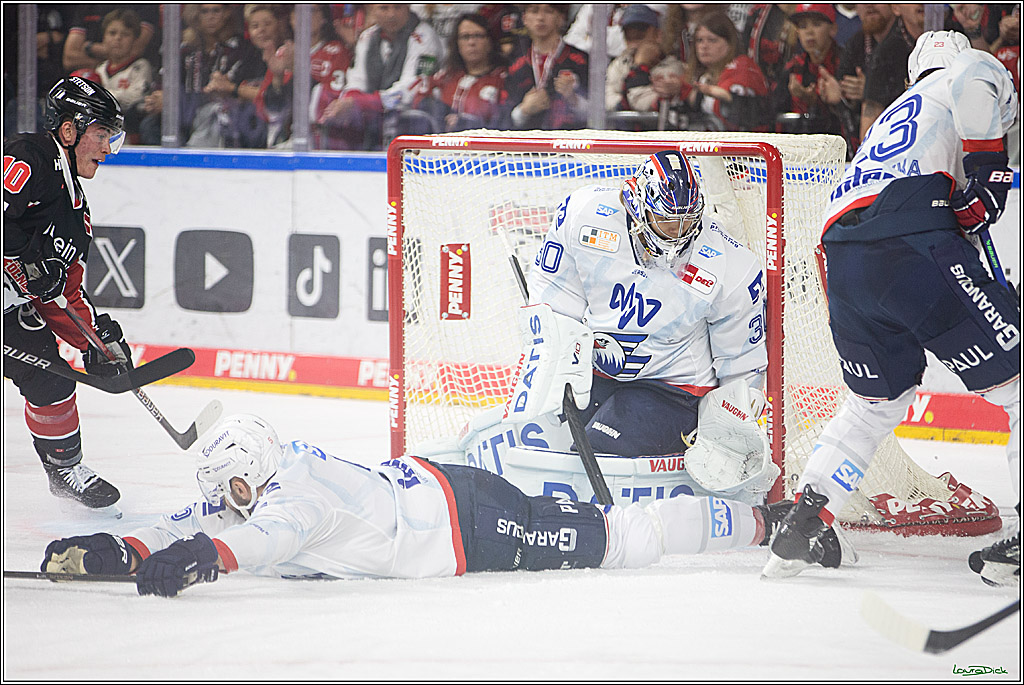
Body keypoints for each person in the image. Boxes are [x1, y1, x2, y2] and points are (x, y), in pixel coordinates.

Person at [39, 413, 848, 597]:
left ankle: (763, 520)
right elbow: (204, 518)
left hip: (464, 520)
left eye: (236, 491)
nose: (231, 506)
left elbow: (259, 537)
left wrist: (204, 560)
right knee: (602, 524)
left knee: (616, 538)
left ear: (253, 469)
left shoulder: (292, 496)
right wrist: (125, 547)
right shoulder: (260, 478)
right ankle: (754, 517)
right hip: (433, 488)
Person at [763, 32, 1020, 586]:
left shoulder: (892, 120)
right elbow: (978, 77)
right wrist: (989, 173)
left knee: (875, 401)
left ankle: (807, 516)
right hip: (907, 238)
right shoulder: (962, 74)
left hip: (843, 253)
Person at [3, 77, 129, 512]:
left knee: (51, 379)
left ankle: (64, 470)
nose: (108, 148)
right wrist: (20, 260)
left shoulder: (76, 211)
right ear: (70, 130)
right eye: (101, 134)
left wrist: (96, 343)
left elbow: (66, 292)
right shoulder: (27, 158)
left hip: (8, 310)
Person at [319, 4, 443, 150]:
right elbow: (356, 80)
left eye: (398, 7)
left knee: (413, 117)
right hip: (375, 116)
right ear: (372, 11)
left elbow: (409, 91)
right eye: (384, 8)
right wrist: (347, 103)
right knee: (338, 115)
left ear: (408, 8)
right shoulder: (367, 36)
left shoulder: (424, 37)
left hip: (414, 120)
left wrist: (359, 103)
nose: (391, 14)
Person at [139, 4, 266, 148]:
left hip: (224, 114)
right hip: (185, 113)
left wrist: (174, 102)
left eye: (216, 11)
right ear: (196, 16)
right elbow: (165, 80)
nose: (210, 17)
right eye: (205, 12)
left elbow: (238, 90)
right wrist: (159, 97)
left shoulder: (242, 49)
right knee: (150, 123)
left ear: (227, 13)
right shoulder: (186, 50)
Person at [254, 5, 353, 149]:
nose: (304, 16)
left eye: (312, 10)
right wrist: (277, 77)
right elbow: (265, 111)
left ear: (324, 18)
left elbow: (329, 104)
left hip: (324, 143)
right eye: (297, 11)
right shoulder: (283, 53)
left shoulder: (336, 52)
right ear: (291, 19)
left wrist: (297, 70)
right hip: (283, 141)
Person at [657, 10, 770, 131]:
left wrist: (695, 94)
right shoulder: (696, 74)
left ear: (730, 43)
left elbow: (738, 114)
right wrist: (673, 90)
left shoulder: (743, 67)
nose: (704, 46)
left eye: (712, 40)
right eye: (699, 40)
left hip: (744, 144)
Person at [818, 3, 896, 159]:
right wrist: (838, 96)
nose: (869, 5)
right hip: (864, 148)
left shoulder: (906, 41)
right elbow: (842, 91)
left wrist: (872, 92)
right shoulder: (856, 43)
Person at [409, 12, 506, 133]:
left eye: (478, 36)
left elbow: (503, 121)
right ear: (457, 42)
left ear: (490, 41)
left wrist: (465, 122)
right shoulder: (445, 77)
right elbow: (419, 101)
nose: (471, 42)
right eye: (465, 37)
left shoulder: (503, 79)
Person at [499, 3, 589, 131]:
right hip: (529, 146)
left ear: (561, 18)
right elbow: (503, 118)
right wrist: (523, 110)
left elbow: (598, 114)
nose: (540, 17)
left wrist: (573, 99)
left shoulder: (580, 60)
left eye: (549, 11)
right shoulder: (516, 65)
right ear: (524, 19)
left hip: (569, 143)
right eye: (534, 11)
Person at [773, 4, 845, 140]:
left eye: (816, 24)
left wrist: (816, 103)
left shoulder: (847, 63)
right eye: (803, 26)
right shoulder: (792, 68)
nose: (809, 32)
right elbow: (776, 116)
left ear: (833, 29)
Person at [859, 3, 924, 139]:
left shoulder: (956, 34)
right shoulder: (886, 53)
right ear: (896, 8)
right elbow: (869, 123)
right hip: (903, 141)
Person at [93, 8, 154, 142]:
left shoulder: (141, 66)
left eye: (125, 34)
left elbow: (137, 96)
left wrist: (103, 97)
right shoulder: (100, 70)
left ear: (135, 39)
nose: (118, 38)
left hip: (129, 136)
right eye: (112, 33)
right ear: (103, 37)